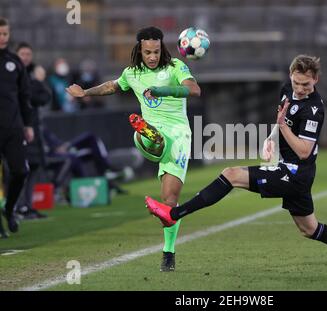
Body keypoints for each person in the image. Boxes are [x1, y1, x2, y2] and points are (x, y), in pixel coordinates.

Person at [146, 55, 327, 277]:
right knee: (310, 229)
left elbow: (304, 151)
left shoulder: (314, 109)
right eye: (297, 83)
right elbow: (281, 122)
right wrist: (272, 139)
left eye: (306, 84)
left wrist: (282, 127)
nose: (301, 89)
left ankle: (173, 214)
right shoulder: (286, 91)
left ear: (315, 79)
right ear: (290, 76)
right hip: (292, 172)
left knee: (230, 175)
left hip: (295, 173)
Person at [66, 26, 201, 271]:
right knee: (148, 135)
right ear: (139, 49)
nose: (152, 56)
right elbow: (112, 86)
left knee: (169, 202)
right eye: (148, 52)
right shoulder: (132, 74)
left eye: (157, 51)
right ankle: (149, 135)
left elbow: (194, 89)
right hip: (150, 131)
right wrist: (85, 92)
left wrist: (161, 90)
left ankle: (168, 254)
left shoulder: (175, 67)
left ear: (162, 49)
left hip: (179, 135)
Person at [0, 18, 34, 235]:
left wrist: (28, 125)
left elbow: (24, 96)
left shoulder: (14, 62)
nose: (2, 37)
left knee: (20, 171)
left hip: (13, 127)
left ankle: (9, 209)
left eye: (5, 33)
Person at [15, 42, 52, 219]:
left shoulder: (30, 77)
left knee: (34, 166)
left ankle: (26, 205)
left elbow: (44, 97)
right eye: (23, 54)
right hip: (15, 128)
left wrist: (38, 82)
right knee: (18, 169)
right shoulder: (12, 75)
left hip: (32, 127)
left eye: (28, 54)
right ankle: (17, 205)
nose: (26, 57)